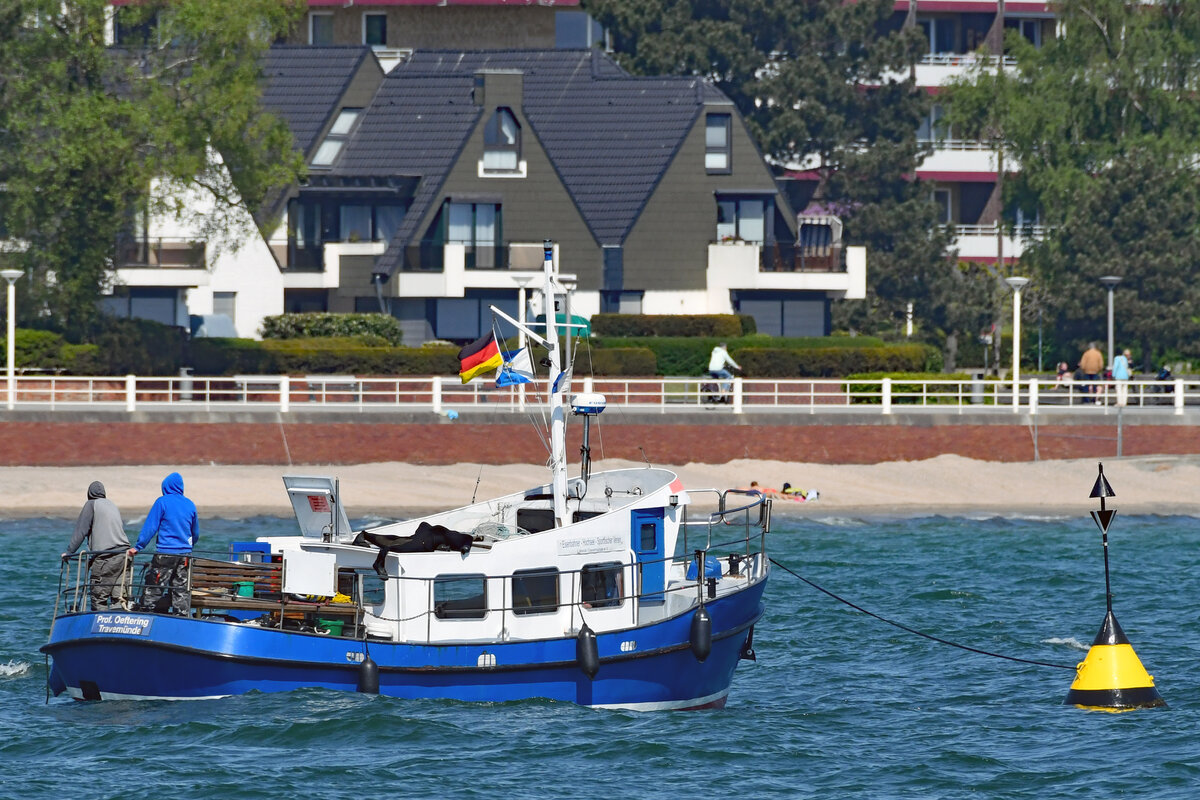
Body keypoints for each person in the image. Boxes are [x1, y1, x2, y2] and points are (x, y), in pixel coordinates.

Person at [128, 472, 199, 615]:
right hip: (185, 555)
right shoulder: (190, 504)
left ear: (166, 487)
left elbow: (150, 527)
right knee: (181, 590)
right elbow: (195, 532)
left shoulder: (162, 502)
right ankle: (181, 617)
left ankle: (147, 615)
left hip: (165, 552)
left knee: (154, 587)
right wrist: (188, 546)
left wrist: (138, 546)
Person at [63, 481, 130, 610]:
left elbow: (81, 531)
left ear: (89, 494)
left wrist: (69, 552)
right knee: (119, 597)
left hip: (106, 558)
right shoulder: (112, 505)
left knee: (98, 597)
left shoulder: (91, 504)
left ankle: (100, 624)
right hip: (124, 556)